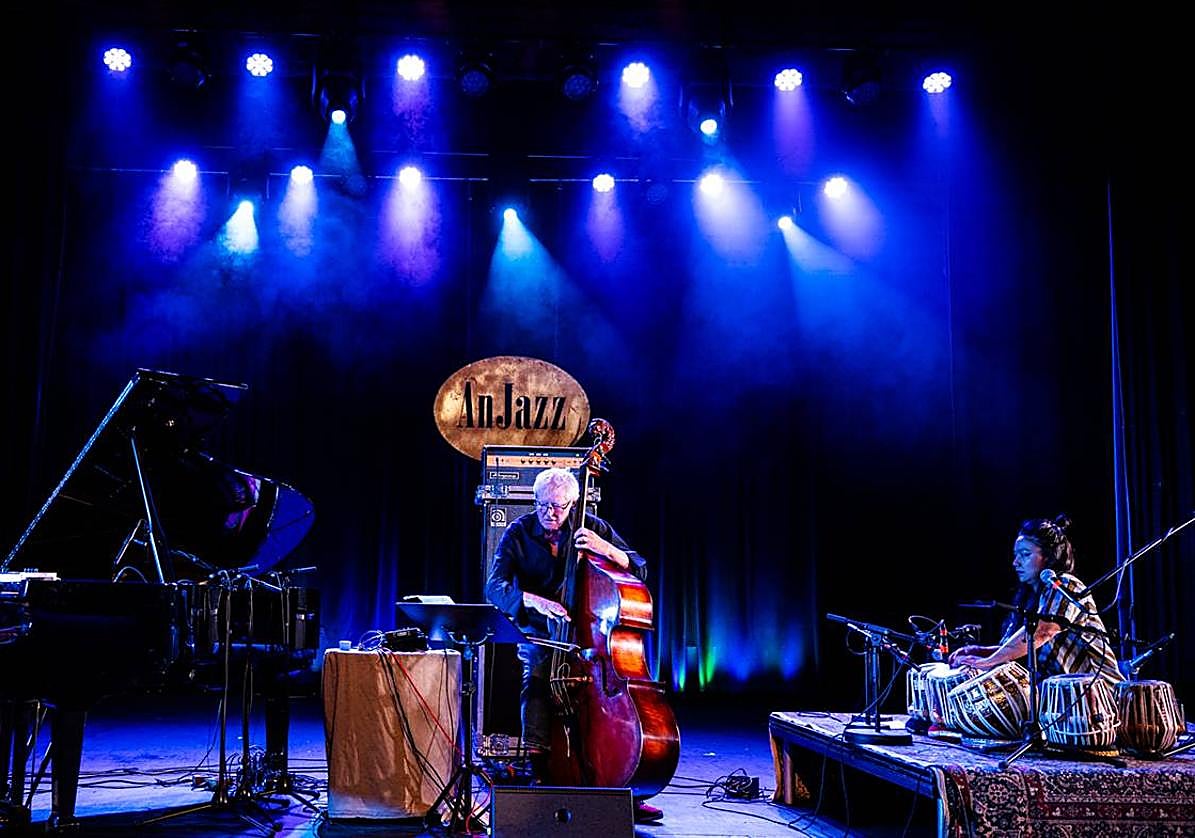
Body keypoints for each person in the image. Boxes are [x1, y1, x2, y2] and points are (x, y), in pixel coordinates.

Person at [485, 467, 663, 824]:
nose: (552, 514)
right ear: (534, 502)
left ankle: (620, 784)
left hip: (590, 641)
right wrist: (533, 600)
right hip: (542, 634)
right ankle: (540, 774)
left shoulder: (592, 527)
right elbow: (494, 587)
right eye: (544, 506)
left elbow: (640, 568)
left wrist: (607, 549)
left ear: (573, 504)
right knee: (536, 680)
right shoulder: (518, 534)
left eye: (560, 507)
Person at [950, 515, 1122, 686]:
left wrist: (987, 662)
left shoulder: (1065, 585)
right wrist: (982, 653)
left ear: (1048, 557)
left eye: (1025, 554)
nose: (1015, 562)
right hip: (1064, 699)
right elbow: (1018, 650)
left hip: (1100, 696)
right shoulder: (1029, 598)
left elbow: (1042, 632)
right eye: (1015, 555)